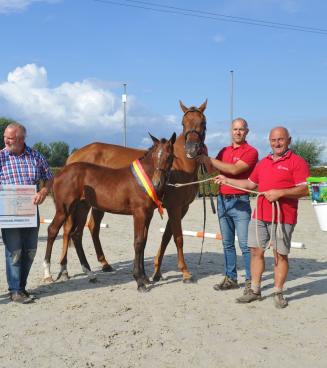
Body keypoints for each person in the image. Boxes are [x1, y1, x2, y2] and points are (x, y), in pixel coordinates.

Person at [215, 127, 309, 308]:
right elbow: (250, 183)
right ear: (269, 141)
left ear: (289, 140)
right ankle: (255, 290)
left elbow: (304, 189)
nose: (277, 143)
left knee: (279, 255)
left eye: (281, 140)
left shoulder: (297, 162)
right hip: (260, 215)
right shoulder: (263, 162)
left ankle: (278, 292)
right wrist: (228, 180)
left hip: (283, 217)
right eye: (273, 140)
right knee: (256, 252)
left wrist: (280, 193)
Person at [197, 118, 258, 293]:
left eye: (241, 129)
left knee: (246, 245)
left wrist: (209, 159)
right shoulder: (224, 150)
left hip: (240, 202)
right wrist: (204, 159)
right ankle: (231, 278)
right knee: (227, 244)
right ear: (231, 131)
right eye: (235, 129)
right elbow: (212, 170)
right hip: (223, 201)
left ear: (247, 131)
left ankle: (250, 281)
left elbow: (233, 170)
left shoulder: (251, 151)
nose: (238, 132)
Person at [0, 122, 53, 304]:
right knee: (14, 251)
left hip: (30, 211)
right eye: (5, 137)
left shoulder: (35, 156)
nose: (6, 140)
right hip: (8, 212)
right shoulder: (1, 157)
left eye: (10, 138)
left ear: (21, 139)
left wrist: (44, 192)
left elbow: (49, 178)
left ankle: (21, 287)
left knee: (30, 250)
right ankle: (15, 290)